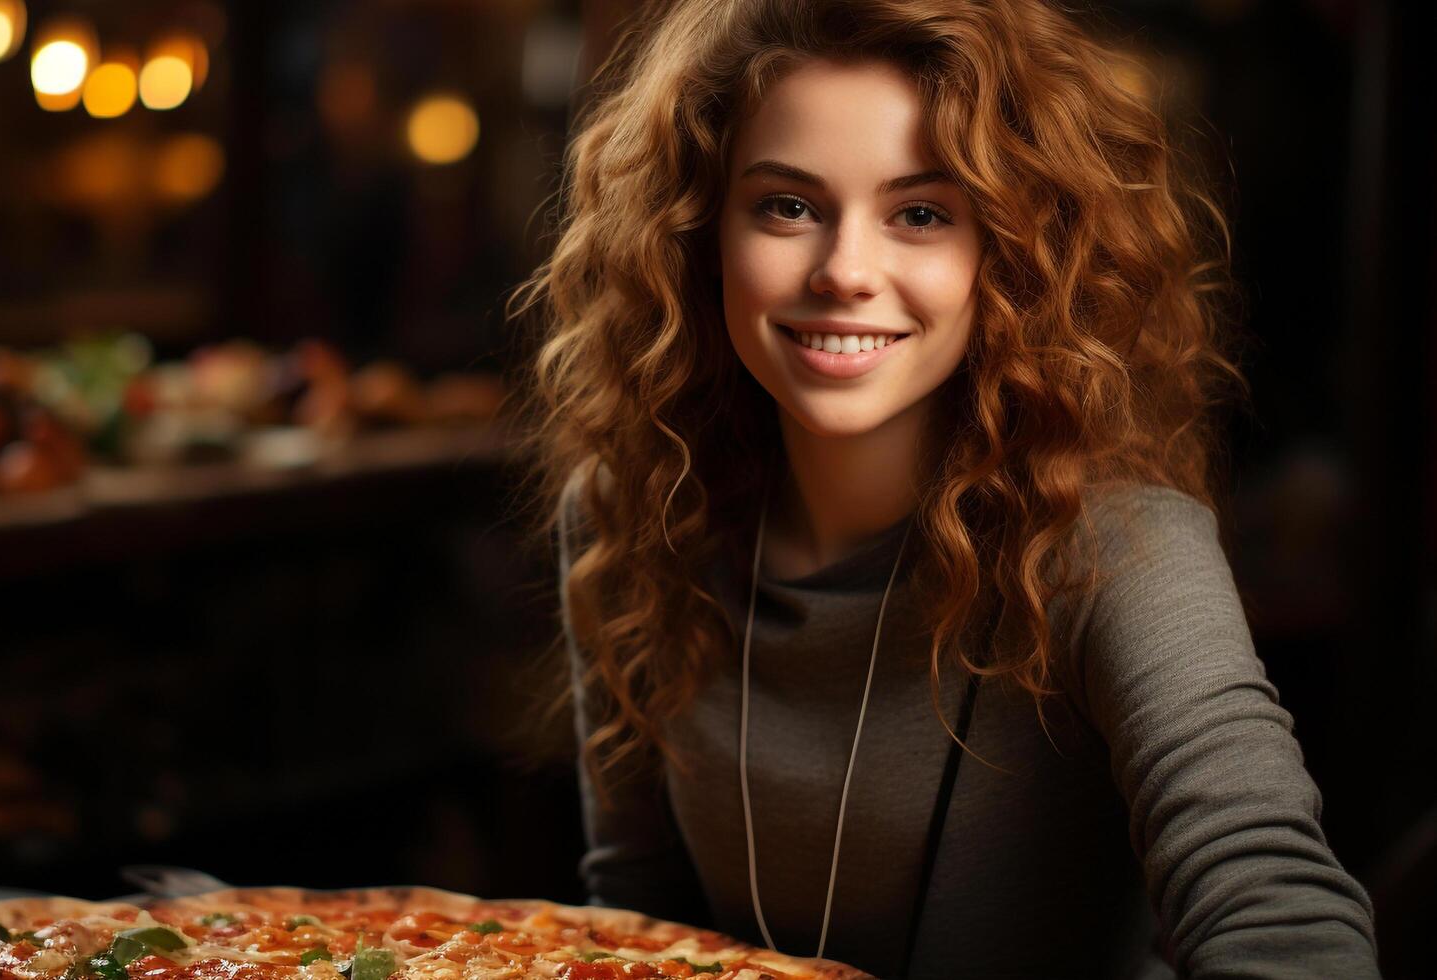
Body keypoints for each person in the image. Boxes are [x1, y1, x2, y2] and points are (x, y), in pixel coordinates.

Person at [508, 0, 1381, 977]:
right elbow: (633, 926)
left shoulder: (1117, 546)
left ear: (1008, 251)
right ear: (700, 231)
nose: (844, 270)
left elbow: (1274, 904)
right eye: (786, 206)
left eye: (919, 213)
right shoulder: (630, 507)